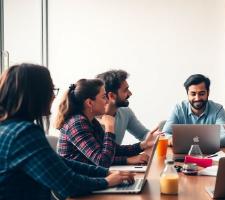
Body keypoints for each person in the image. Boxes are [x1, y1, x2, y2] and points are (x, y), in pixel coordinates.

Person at [0, 64, 135, 200]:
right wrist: (107, 181)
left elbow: (62, 162)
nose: (53, 96)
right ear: (35, 94)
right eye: (51, 90)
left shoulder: (10, 129)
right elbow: (68, 184)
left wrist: (106, 173)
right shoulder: (23, 134)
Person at [54, 78, 158, 168]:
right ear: (90, 103)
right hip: (77, 187)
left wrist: (143, 145)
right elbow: (102, 161)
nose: (107, 101)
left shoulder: (91, 121)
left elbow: (114, 150)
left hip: (89, 178)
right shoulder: (76, 124)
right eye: (104, 97)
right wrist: (109, 127)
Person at [162, 74, 225, 147]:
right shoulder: (178, 109)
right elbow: (164, 134)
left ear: (208, 92)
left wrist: (190, 143)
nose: (197, 98)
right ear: (187, 94)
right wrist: (171, 140)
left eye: (202, 94)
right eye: (193, 94)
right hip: (183, 155)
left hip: (210, 155)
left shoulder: (218, 109)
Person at [96, 70, 152, 145]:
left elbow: (143, 134)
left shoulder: (125, 112)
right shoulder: (92, 120)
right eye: (125, 90)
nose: (130, 94)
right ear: (112, 96)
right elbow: (101, 156)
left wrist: (157, 136)